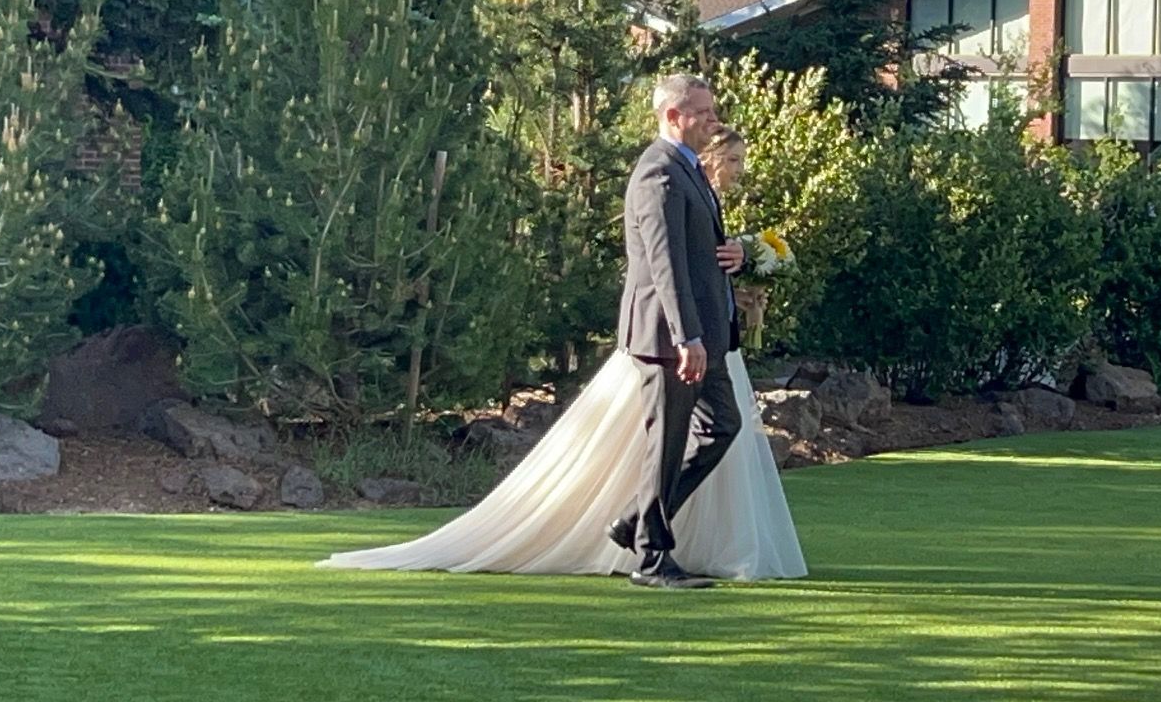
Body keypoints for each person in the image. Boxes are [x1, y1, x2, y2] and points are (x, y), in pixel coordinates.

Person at [317, 78, 805, 584]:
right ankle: (652, 557)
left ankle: (636, 520)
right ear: (674, 115)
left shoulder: (691, 173)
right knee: (667, 442)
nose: (713, 120)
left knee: (721, 424)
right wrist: (687, 337)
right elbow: (664, 265)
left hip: (703, 333)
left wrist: (741, 255)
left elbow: (699, 253)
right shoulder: (659, 173)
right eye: (703, 112)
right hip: (667, 337)